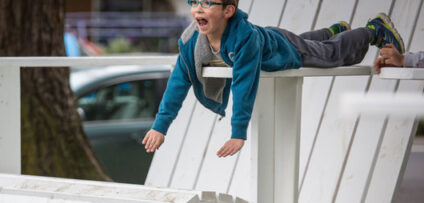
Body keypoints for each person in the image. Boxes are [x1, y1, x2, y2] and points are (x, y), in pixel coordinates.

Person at [142, 0, 405, 157]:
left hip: (282, 49)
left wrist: (238, 132)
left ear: (229, 10)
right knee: (308, 43)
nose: (198, 9)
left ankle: (373, 30)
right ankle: (334, 30)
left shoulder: (242, 38)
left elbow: (245, 83)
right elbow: (179, 81)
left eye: (208, 3)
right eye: (194, 2)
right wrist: (160, 126)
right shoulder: (190, 41)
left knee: (329, 54)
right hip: (273, 39)